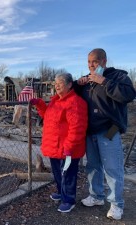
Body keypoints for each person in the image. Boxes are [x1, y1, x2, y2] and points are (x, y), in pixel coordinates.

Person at [74, 48, 136, 220]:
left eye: (94, 61)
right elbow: (72, 92)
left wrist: (104, 81)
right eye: (89, 62)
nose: (91, 66)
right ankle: (96, 196)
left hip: (110, 129)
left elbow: (129, 95)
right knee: (93, 166)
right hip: (91, 130)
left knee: (112, 167)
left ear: (104, 61)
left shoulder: (118, 77)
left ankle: (116, 204)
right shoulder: (88, 81)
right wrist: (77, 84)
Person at [30, 73, 88, 213]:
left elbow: (77, 128)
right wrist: (39, 104)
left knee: (68, 175)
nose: (56, 85)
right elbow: (47, 116)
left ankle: (69, 200)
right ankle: (62, 193)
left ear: (69, 85)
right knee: (58, 173)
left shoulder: (75, 102)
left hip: (67, 148)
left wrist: (69, 146)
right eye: (55, 82)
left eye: (60, 82)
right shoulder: (56, 101)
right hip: (55, 146)